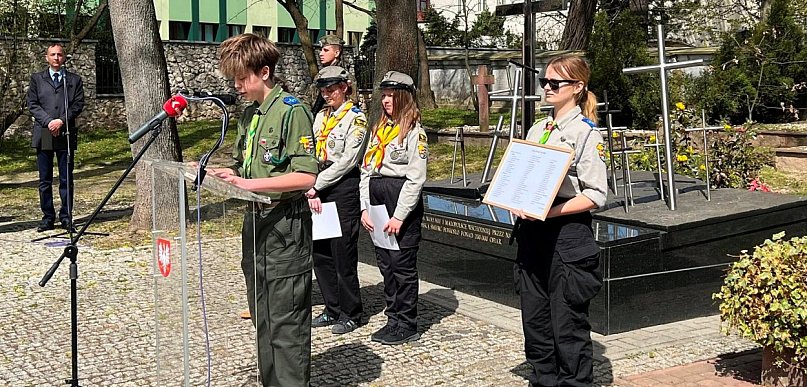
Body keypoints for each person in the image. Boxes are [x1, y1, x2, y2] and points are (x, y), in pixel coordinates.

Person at [208, 33, 319, 387]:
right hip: (256, 223)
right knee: (263, 316)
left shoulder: (291, 111)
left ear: (265, 72)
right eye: (234, 79)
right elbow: (247, 168)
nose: (237, 86)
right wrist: (224, 174)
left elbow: (306, 175)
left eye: (242, 78)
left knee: (286, 322)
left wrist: (248, 185)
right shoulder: (250, 115)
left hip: (285, 227)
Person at [511, 54, 607, 387]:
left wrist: (549, 212)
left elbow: (596, 194)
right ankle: (543, 380)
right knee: (535, 323)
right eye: (545, 81)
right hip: (532, 233)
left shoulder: (585, 133)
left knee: (567, 326)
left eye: (555, 82)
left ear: (578, 87)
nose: (547, 87)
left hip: (566, 233)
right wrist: (514, 199)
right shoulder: (538, 128)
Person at [359, 71, 428, 346]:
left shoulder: (414, 133)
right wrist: (364, 208)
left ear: (404, 98)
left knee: (402, 266)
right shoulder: (379, 129)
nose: (386, 101)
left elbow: (415, 179)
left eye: (391, 96)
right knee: (386, 264)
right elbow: (366, 170)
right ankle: (393, 318)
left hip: (399, 202)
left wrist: (399, 216)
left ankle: (406, 323)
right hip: (377, 200)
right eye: (384, 95)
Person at [306, 66, 368, 335]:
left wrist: (316, 184)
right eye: (323, 90)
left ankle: (351, 312)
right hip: (318, 186)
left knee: (343, 253)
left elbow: (347, 161)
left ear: (344, 87)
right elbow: (310, 148)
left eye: (331, 89)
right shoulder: (321, 116)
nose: (326, 94)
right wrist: (311, 183)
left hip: (341, 187)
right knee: (321, 253)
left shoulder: (356, 119)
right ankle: (332, 308)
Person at [27, 43, 85, 232]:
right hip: (44, 131)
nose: (56, 58)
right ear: (47, 57)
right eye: (52, 54)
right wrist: (49, 122)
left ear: (64, 57)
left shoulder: (73, 80)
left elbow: (78, 104)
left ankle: (66, 217)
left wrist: (61, 121)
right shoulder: (37, 79)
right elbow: (33, 104)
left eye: (59, 54)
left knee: (66, 178)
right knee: (45, 179)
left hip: (65, 131)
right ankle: (48, 217)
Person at [311, 35, 356, 113]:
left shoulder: (344, 76)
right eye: (321, 50)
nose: (321, 54)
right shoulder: (321, 74)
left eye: (326, 50)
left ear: (337, 53)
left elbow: (352, 103)